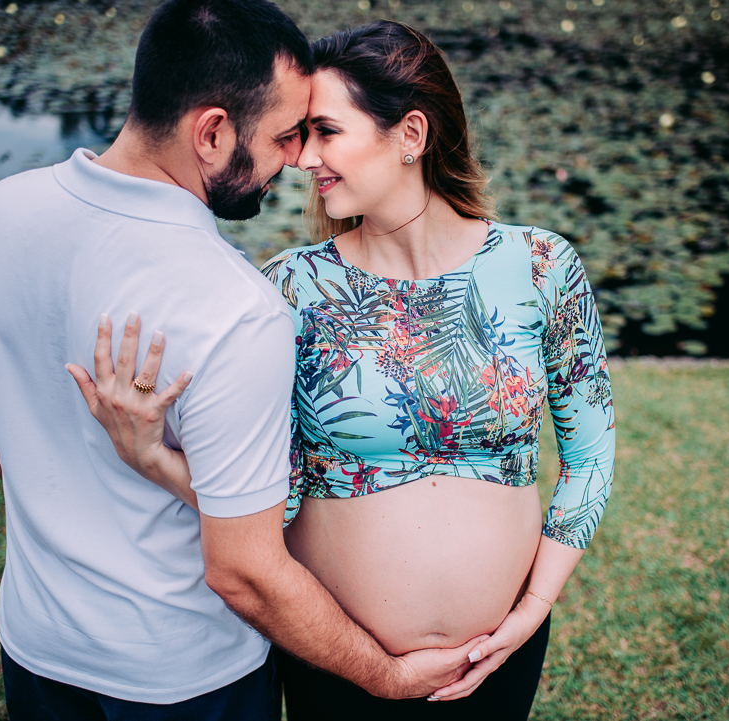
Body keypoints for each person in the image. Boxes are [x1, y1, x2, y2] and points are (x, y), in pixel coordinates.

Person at [0, 3, 482, 719]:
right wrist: (385, 677)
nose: (296, 159)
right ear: (213, 132)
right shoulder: (235, 307)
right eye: (285, 135)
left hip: (37, 647)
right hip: (183, 675)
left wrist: (65, 494)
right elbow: (245, 571)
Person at [72, 20, 616, 721]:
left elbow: (590, 452)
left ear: (410, 135)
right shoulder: (290, 291)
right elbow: (273, 503)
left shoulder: (542, 267)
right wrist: (154, 460)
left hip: (499, 657)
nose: (302, 159)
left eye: (326, 131)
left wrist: (533, 608)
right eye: (299, 134)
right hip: (343, 667)